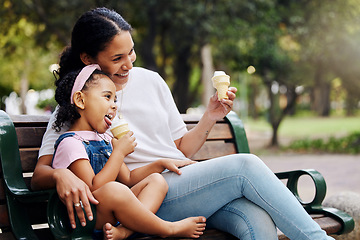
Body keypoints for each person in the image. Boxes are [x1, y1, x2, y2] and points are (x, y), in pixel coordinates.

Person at [31, 7, 334, 240]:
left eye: (131, 52)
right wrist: (61, 177)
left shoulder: (151, 80)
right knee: (246, 167)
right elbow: (43, 170)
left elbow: (179, 148)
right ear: (88, 59)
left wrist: (211, 116)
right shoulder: (78, 104)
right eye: (118, 57)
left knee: (257, 221)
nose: (129, 64)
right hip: (147, 199)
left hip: (191, 186)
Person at [51, 64, 206, 239]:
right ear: (81, 100)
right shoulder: (71, 143)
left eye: (115, 100)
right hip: (87, 218)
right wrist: (118, 154)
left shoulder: (105, 139)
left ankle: (125, 231)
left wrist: (160, 164)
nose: (114, 106)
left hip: (110, 214)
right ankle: (168, 229)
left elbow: (129, 178)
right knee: (114, 189)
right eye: (107, 97)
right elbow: (95, 188)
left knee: (157, 180)